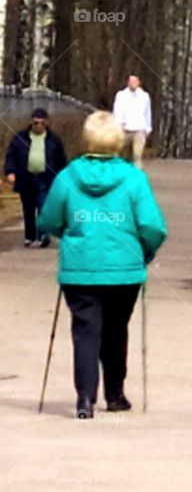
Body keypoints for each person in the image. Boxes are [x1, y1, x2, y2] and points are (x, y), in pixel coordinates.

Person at [38, 111, 167, 419]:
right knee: (115, 330)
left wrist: (69, 235)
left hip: (80, 270)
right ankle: (115, 393)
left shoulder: (68, 177)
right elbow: (152, 226)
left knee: (85, 331)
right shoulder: (134, 179)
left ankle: (85, 398)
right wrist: (144, 253)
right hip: (123, 271)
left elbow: (49, 219)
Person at [4, 107, 67, 247]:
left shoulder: (53, 140)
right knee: (28, 208)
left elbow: (60, 160)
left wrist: (62, 177)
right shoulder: (20, 138)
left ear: (46, 123)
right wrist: (10, 172)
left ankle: (43, 235)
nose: (38, 126)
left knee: (43, 206)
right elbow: (11, 156)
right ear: (31, 123)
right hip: (25, 177)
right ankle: (29, 236)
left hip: (45, 178)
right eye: (35, 123)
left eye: (41, 123)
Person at [112, 73, 152, 166]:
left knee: (137, 155)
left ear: (138, 83)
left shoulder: (144, 96)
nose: (132, 83)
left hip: (139, 129)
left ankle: (136, 176)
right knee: (119, 154)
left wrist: (148, 128)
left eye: (134, 81)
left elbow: (147, 112)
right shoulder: (121, 95)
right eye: (130, 81)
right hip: (124, 129)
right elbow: (117, 110)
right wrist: (119, 124)